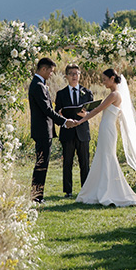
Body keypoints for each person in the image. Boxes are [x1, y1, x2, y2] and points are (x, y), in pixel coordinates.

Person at [75, 69, 136, 206]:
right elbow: (98, 110)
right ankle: (100, 190)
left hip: (108, 129)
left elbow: (98, 110)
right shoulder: (113, 94)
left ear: (112, 78)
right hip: (106, 129)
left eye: (104, 79)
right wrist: (85, 114)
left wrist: (81, 121)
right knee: (103, 157)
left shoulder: (115, 95)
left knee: (108, 158)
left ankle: (109, 192)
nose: (103, 82)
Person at [28, 57, 76, 203]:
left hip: (44, 130)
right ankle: (36, 196)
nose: (51, 74)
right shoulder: (37, 85)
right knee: (41, 164)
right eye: (50, 71)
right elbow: (47, 110)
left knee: (42, 163)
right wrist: (64, 122)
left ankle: (37, 195)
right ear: (43, 69)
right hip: (42, 131)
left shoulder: (40, 84)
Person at [55, 64, 94, 197]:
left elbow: (92, 111)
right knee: (67, 163)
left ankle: (86, 190)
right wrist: (61, 116)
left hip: (83, 132)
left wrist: (86, 114)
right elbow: (56, 112)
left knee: (85, 163)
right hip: (67, 132)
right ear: (66, 76)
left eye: (76, 73)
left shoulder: (87, 92)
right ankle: (68, 191)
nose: (74, 76)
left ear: (80, 75)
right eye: (71, 73)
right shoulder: (60, 94)